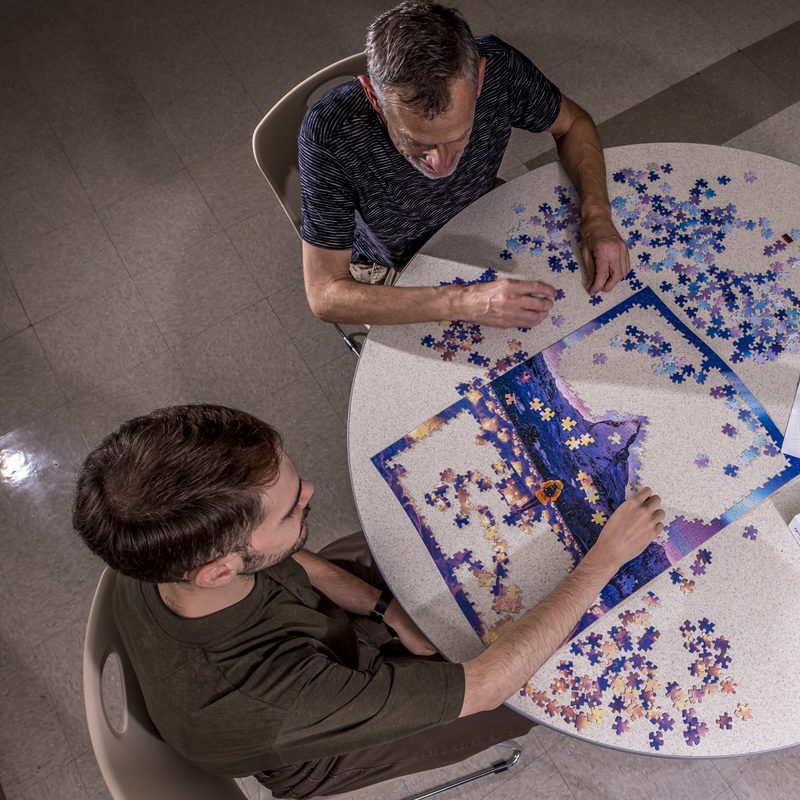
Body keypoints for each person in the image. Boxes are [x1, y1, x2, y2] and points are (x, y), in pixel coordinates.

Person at [73, 404, 663, 798]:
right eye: (291, 508)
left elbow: (290, 558)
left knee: (431, 544)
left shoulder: (155, 546)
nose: (312, 491)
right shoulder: (271, 698)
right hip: (315, 738)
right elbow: (484, 686)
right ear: (219, 569)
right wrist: (602, 562)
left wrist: (388, 610)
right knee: (538, 690)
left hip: (323, 636)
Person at [299, 2, 630, 331]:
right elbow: (325, 295)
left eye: (459, 137)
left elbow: (572, 124)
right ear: (374, 98)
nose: (441, 164)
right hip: (394, 267)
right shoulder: (330, 130)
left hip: (486, 211)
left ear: (480, 79)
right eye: (416, 142)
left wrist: (598, 218)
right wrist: (466, 302)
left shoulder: (501, 69)